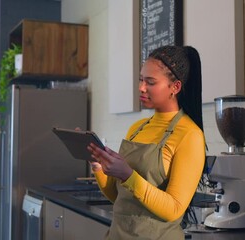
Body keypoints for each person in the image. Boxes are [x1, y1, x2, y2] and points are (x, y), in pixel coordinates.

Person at [87, 45, 206, 239]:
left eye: (150, 82)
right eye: (141, 80)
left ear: (175, 87)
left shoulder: (189, 135)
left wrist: (127, 175)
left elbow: (174, 209)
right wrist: (99, 166)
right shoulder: (137, 128)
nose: (141, 87)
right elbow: (120, 198)